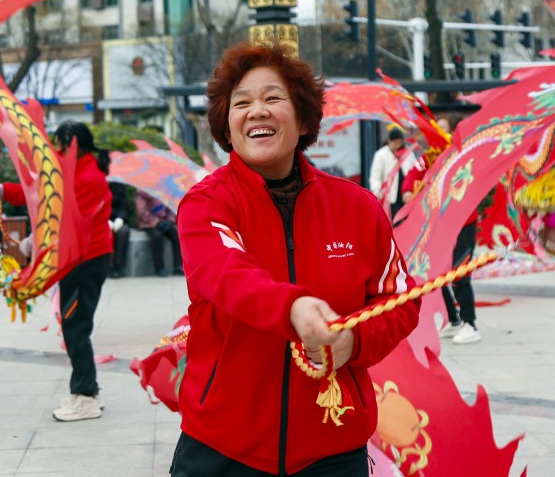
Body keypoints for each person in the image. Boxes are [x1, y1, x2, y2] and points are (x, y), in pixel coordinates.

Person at [171, 42, 420, 476]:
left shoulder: (358, 207)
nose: (257, 111)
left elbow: (400, 301)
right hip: (222, 448)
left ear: (303, 119)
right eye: (241, 103)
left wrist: (353, 341)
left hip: (332, 445)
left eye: (273, 98)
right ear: (227, 129)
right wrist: (294, 307)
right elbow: (226, 274)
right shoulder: (206, 204)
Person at [0, 121, 112, 422]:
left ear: (74, 145)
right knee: (74, 326)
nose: (56, 150)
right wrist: (3, 191)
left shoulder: (88, 178)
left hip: (85, 261)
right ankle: (88, 389)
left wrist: (36, 242)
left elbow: (65, 220)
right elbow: (41, 192)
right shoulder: (74, 172)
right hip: (76, 259)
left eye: (61, 145)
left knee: (76, 327)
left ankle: (85, 397)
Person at [401, 115, 481, 344]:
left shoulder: (463, 154)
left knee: (460, 272)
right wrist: (408, 191)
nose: (438, 134)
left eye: (443, 130)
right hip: (440, 226)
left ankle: (470, 323)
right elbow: (412, 176)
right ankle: (454, 321)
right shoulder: (429, 157)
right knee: (438, 274)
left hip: (463, 223)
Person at [134, 188, 182, 277]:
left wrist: (170, 220)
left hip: (164, 221)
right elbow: (142, 212)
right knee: (157, 237)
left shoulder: (165, 189)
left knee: (177, 235)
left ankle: (178, 266)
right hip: (148, 224)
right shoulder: (142, 192)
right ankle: (159, 268)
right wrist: (157, 222)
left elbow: (171, 207)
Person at [369, 126, 411, 219]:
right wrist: (377, 191)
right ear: (389, 141)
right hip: (390, 196)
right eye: (395, 143)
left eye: (400, 143)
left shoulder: (408, 152)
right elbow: (375, 177)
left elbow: (414, 169)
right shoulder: (380, 155)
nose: (398, 146)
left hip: (406, 194)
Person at [108, 182, 132, 279]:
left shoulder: (119, 185)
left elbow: (124, 205)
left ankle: (117, 266)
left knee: (123, 232)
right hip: (101, 219)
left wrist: (120, 219)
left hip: (117, 218)